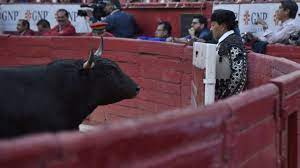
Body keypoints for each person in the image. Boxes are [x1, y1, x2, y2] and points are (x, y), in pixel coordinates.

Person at [210, 9, 247, 100]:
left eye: (213, 25)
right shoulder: (227, 41)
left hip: (227, 101)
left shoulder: (233, 42)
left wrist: (225, 99)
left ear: (222, 26)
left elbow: (239, 76)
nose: (211, 29)